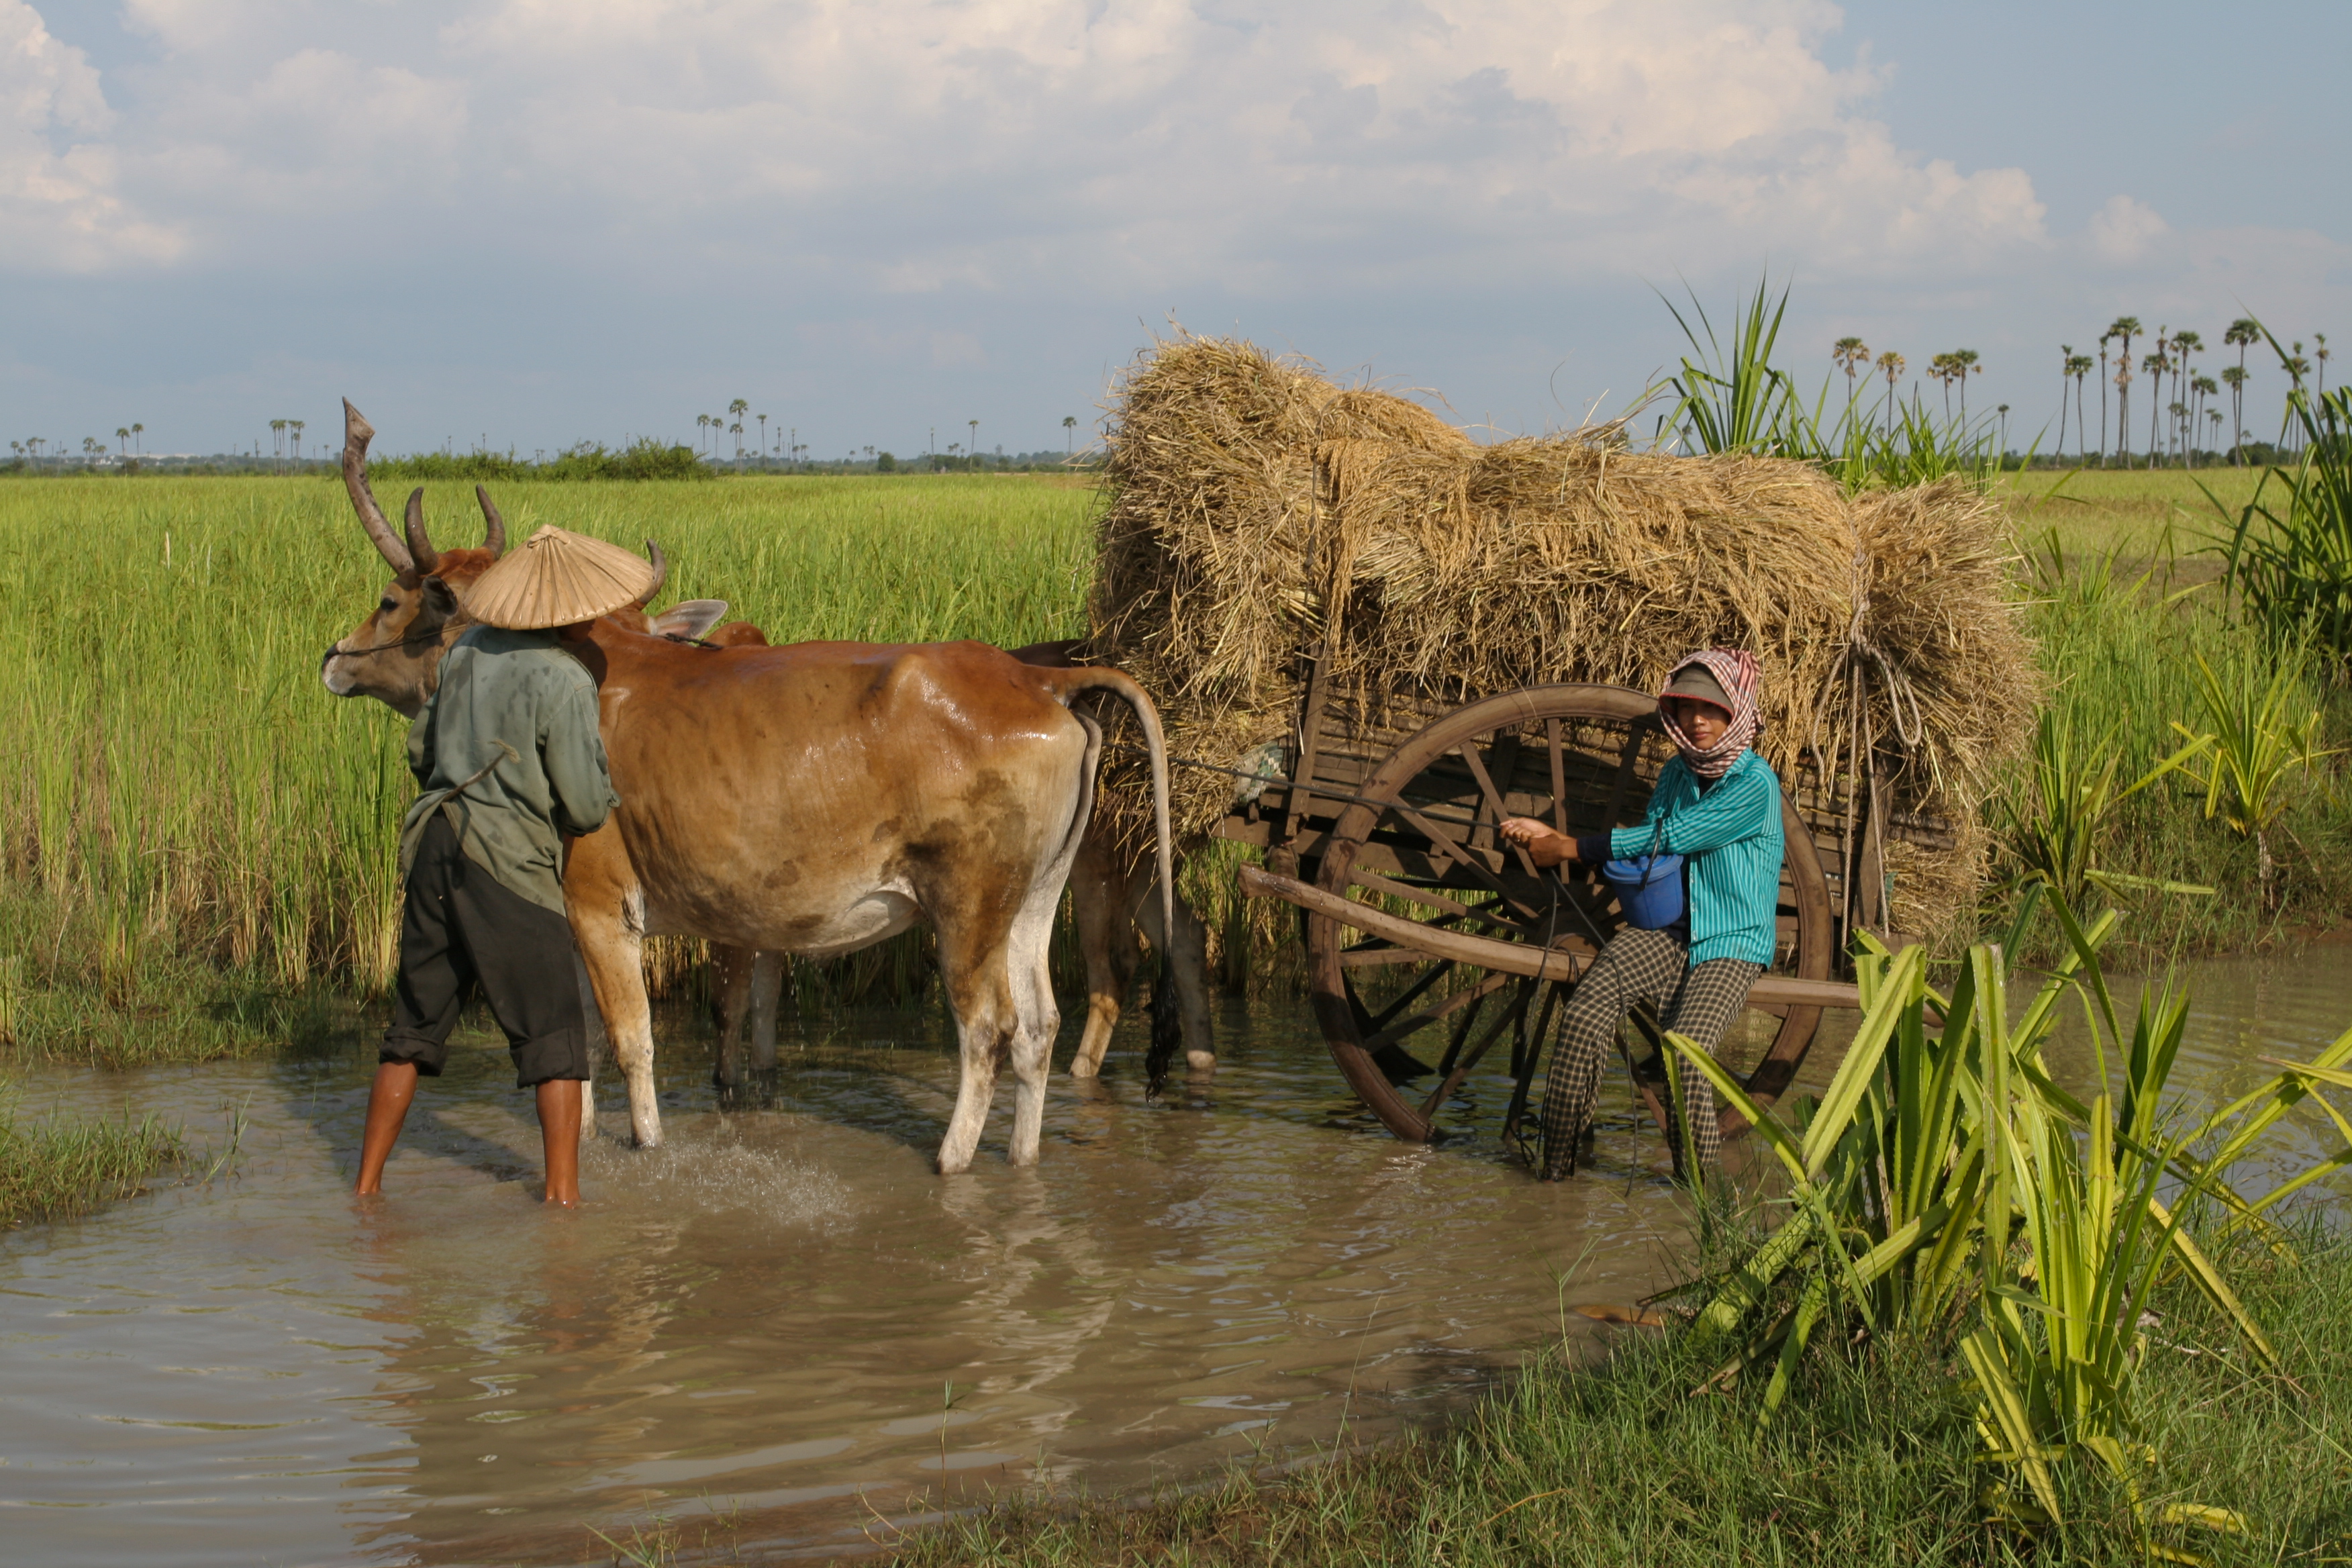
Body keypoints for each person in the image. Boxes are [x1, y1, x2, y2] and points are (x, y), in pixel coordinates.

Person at [354, 526, 653, 1207]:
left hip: (434, 848)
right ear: (562, 612)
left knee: (411, 1031)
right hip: (507, 862)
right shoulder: (564, 677)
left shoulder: (463, 653)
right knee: (555, 1040)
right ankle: (563, 1204)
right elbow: (580, 801)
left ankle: (366, 1189)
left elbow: (421, 751)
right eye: (585, 607)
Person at [1498, 649, 1781, 1179]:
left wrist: (1568, 848)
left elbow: (1671, 837)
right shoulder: (1677, 773)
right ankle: (1555, 1173)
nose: (1697, 720)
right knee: (1585, 1014)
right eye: (1686, 708)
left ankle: (1701, 1201)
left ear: (1736, 710)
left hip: (1731, 943)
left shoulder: (1754, 785)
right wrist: (1554, 839)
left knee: (1685, 1052)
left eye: (1711, 708)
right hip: (1667, 932)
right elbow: (1651, 856)